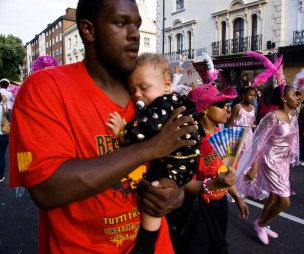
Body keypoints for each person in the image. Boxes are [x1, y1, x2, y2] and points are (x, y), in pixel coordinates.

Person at [9, 0, 197, 253]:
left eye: (137, 25)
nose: (134, 34)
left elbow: (177, 162)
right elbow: (46, 190)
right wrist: (147, 149)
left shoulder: (146, 94)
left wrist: (175, 192)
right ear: (88, 30)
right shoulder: (46, 88)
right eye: (121, 23)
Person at [106, 53, 200, 253]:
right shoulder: (172, 101)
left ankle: (146, 244)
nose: (137, 94)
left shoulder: (164, 104)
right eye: (133, 90)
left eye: (144, 88)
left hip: (175, 163)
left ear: (166, 85)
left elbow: (147, 127)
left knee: (154, 195)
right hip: (179, 161)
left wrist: (123, 133)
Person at [166, 84, 249, 254]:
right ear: (204, 110)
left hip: (220, 203)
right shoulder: (190, 141)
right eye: (220, 105)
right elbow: (181, 181)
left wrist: (237, 197)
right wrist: (211, 184)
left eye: (226, 105)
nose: (227, 109)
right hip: (198, 206)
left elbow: (224, 174)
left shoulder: (221, 134)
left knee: (219, 244)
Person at [236, 84, 300, 245]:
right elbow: (257, 143)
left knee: (273, 196)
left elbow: (293, 140)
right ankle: (261, 224)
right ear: (284, 99)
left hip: (283, 162)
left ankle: (264, 223)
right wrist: (254, 166)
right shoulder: (272, 117)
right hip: (270, 161)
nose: (298, 97)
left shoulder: (293, 116)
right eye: (294, 95)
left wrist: (290, 160)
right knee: (285, 201)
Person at [228, 86, 257, 178]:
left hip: (249, 135)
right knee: (238, 158)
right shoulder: (237, 107)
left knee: (248, 157)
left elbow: (252, 122)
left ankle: (244, 181)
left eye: (254, 95)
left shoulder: (253, 108)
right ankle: (235, 180)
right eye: (250, 95)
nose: (252, 97)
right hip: (238, 135)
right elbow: (230, 123)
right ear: (243, 95)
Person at [0, 95, 8, 182]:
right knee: (1, 155)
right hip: (3, 134)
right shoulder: (3, 107)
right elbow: (7, 114)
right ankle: (1, 176)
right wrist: (4, 101)